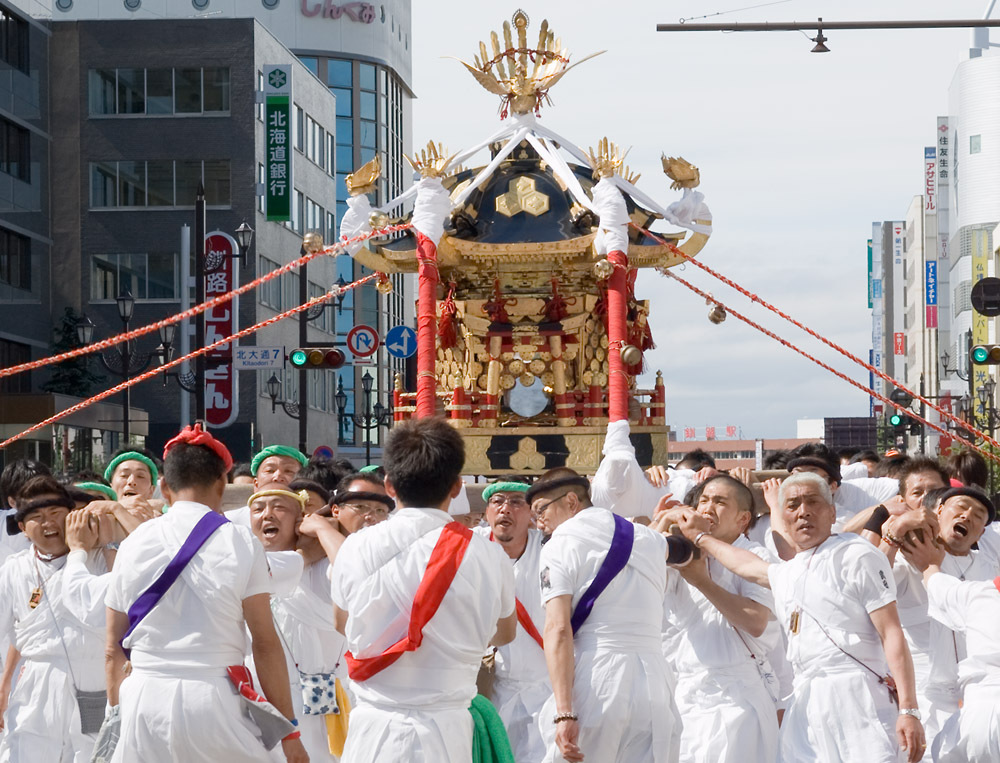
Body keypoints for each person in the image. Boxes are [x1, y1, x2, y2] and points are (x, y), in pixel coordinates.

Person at [677, 472, 925, 763]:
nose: (803, 511)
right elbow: (747, 567)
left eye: (813, 502)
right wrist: (700, 538)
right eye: (793, 505)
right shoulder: (789, 571)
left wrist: (908, 709)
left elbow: (892, 633)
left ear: (832, 512)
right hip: (806, 700)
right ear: (782, 516)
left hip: (858, 694)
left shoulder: (857, 555)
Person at [105, 424, 307, 763]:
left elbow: (113, 648)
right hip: (213, 698)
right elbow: (265, 642)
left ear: (164, 487)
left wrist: (116, 719)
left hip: (143, 697)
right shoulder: (241, 541)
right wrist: (290, 732)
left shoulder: (133, 542)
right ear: (222, 485)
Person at [330, 417, 516, 763]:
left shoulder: (356, 547)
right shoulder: (488, 555)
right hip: (448, 732)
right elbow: (504, 633)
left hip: (374, 731)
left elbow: (341, 623)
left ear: (389, 485)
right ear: (457, 486)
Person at [530, 467, 693, 763]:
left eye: (541, 510)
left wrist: (564, 711)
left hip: (598, 678)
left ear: (570, 501)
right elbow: (685, 552)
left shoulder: (560, 544)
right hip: (656, 680)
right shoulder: (648, 538)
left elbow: (558, 629)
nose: (539, 522)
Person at [657, 476, 780, 763]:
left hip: (736, 700)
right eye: (703, 500)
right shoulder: (680, 553)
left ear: (743, 519)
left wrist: (703, 582)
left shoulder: (755, 556)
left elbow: (755, 621)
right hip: (686, 694)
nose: (708, 507)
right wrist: (662, 524)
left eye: (720, 502)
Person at [873, 487, 998, 757]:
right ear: (938, 511)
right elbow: (870, 588)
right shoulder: (908, 556)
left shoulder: (991, 571)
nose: (967, 516)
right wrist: (894, 534)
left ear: (982, 533)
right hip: (923, 696)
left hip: (979, 694)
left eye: (978, 516)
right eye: (960, 507)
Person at [0, 475, 107, 762]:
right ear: (22, 528)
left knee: (93, 753)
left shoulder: (101, 559)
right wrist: (3, 684)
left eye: (56, 514)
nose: (48, 523)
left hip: (94, 680)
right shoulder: (13, 570)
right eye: (36, 517)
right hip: (37, 686)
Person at [248, 484, 343, 762]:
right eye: (258, 509)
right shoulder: (242, 564)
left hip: (326, 707)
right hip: (259, 702)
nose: (267, 515)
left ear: (300, 520)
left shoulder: (325, 566)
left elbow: (352, 576)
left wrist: (325, 534)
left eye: (279, 507)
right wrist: (301, 558)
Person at [902, 530, 1000, 762]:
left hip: (980, 715)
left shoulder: (978, 594)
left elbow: (933, 577)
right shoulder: (976, 593)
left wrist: (929, 561)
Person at [478, 481, 550, 762]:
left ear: (532, 514)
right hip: (491, 689)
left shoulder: (552, 549)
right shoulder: (469, 547)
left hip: (545, 688)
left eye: (516, 502)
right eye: (498, 501)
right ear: (487, 512)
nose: (505, 508)